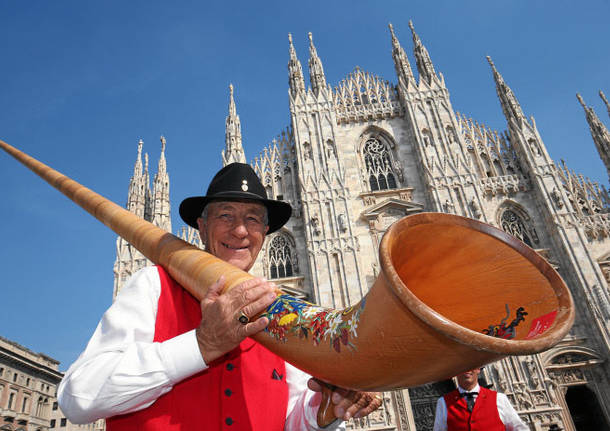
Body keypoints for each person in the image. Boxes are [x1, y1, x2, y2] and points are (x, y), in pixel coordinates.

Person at [58, 162, 382, 430]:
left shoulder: (281, 310)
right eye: (226, 215)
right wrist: (201, 344)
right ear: (201, 227)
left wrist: (323, 413)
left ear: (264, 233)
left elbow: (288, 420)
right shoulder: (154, 286)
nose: (240, 230)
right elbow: (78, 397)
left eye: (252, 219)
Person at [433, 368, 529, 431]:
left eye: (471, 365)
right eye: (462, 366)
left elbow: (519, 428)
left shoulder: (499, 398)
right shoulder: (443, 402)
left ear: (478, 369)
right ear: (455, 371)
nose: (467, 370)